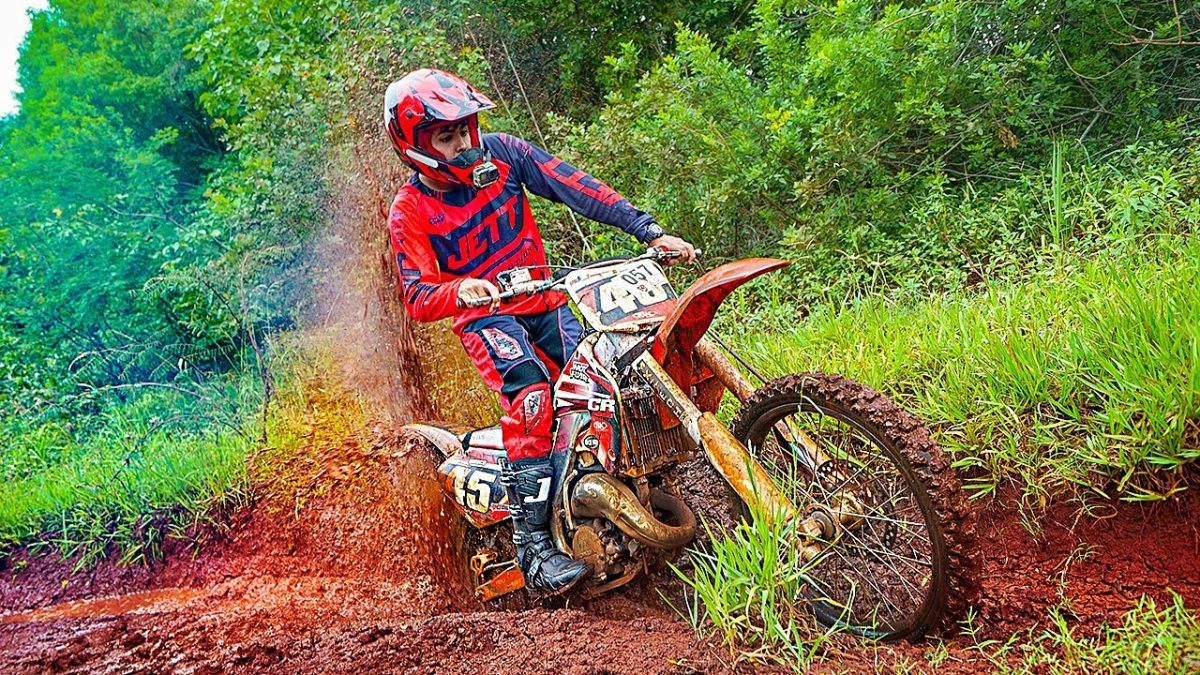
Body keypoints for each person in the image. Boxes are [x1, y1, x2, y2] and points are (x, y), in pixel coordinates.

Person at [383, 68, 695, 596]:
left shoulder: (504, 154)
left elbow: (575, 187)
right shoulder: (409, 211)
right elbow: (417, 297)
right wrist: (461, 291)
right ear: (415, 145)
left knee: (611, 378)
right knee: (532, 398)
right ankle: (534, 550)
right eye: (447, 135)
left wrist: (648, 229)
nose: (465, 144)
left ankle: (621, 494)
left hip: (547, 299)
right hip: (487, 318)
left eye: (468, 129)